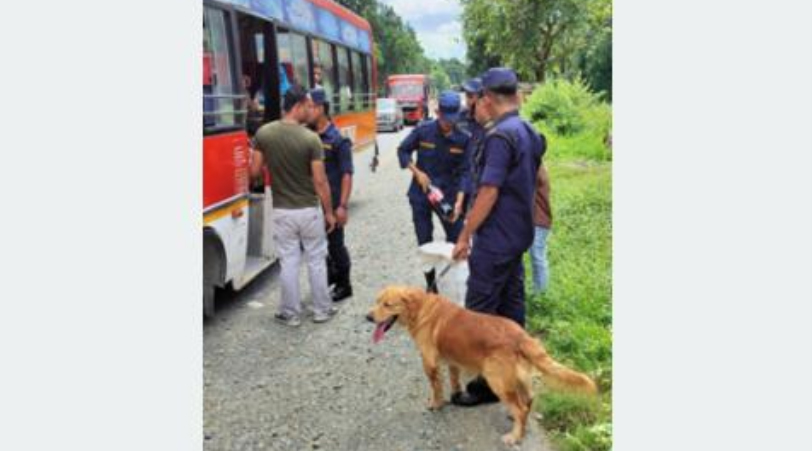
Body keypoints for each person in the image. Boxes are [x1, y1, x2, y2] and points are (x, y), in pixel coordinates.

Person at [451, 68, 545, 406]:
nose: (475, 105)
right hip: (519, 234)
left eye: (478, 99)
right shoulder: (529, 131)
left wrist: (464, 235)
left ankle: (486, 385)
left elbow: (489, 191)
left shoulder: (499, 137)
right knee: (510, 306)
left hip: (495, 240)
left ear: (488, 100)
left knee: (480, 313)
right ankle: (515, 372)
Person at [253, 84, 338, 327]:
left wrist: (274, 170)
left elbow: (254, 172)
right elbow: (320, 181)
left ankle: (290, 313)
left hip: (282, 211)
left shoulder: (264, 134)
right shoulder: (311, 139)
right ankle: (322, 310)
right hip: (309, 211)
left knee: (288, 262)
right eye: (308, 106)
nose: (310, 111)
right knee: (315, 259)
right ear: (298, 106)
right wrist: (329, 212)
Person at [397, 90, 470, 292]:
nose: (449, 123)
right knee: (424, 241)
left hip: (448, 196)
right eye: (445, 118)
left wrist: (460, 201)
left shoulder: (464, 139)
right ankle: (431, 286)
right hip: (421, 194)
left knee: (456, 239)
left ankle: (454, 283)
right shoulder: (423, 131)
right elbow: (402, 150)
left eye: (452, 118)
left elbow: (466, 172)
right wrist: (416, 172)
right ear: (438, 112)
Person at [308, 87, 355, 302]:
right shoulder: (306, 135)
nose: (307, 111)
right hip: (310, 201)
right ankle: (329, 275)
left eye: (310, 107)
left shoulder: (337, 140)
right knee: (315, 245)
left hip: (333, 201)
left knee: (336, 245)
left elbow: (347, 174)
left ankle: (345, 284)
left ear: (321, 108)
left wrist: (342, 206)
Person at [457, 77, 484, 212]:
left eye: (470, 96)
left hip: (482, 177)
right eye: (466, 95)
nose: (467, 100)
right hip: (463, 177)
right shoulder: (459, 117)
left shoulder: (488, 119)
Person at [530, 163, 552, 293]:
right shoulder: (536, 166)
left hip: (538, 219)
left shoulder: (536, 167)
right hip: (532, 219)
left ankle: (541, 294)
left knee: (537, 257)